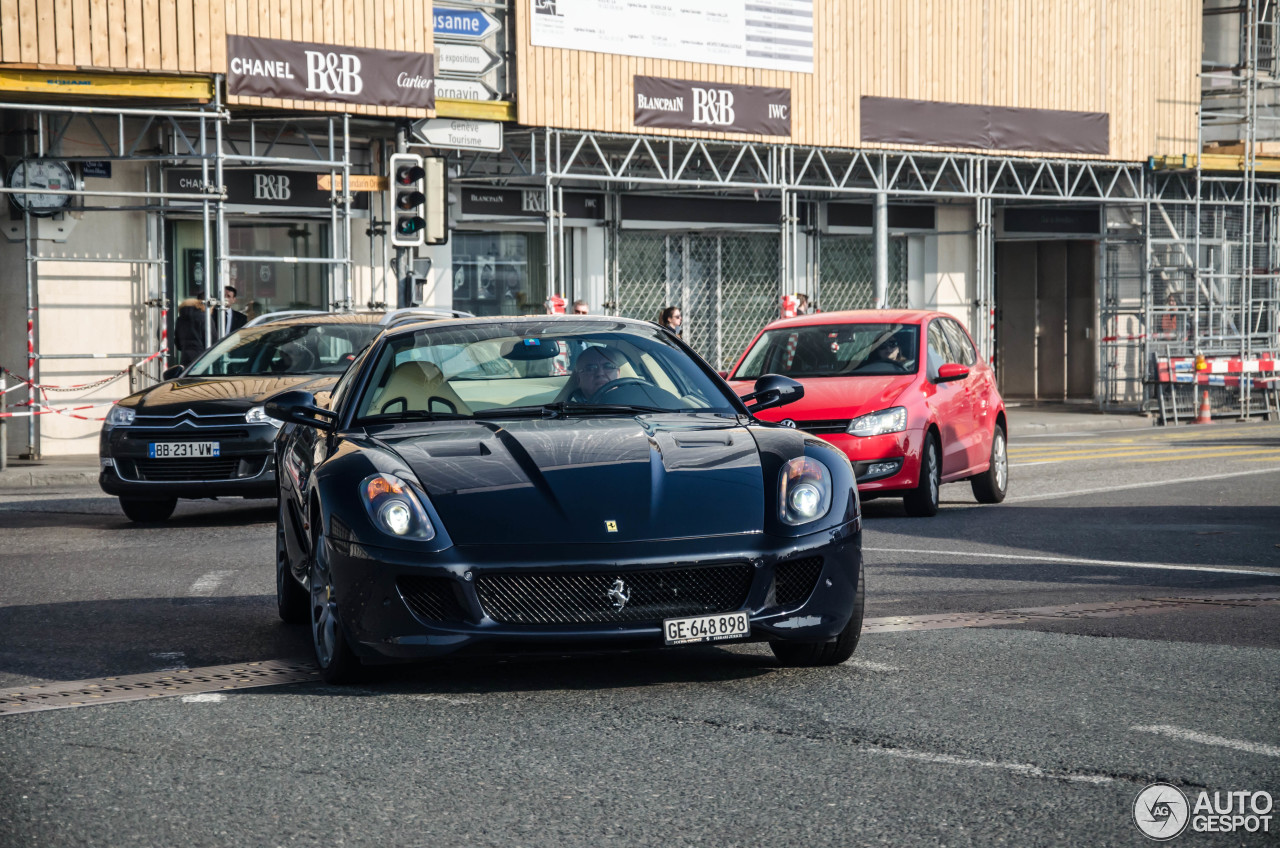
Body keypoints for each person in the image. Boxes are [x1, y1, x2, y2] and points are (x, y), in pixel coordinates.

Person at [173, 288, 208, 367]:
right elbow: (212, 340)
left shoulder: (180, 319)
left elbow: (177, 342)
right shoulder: (205, 318)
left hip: (185, 357)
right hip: (202, 358)